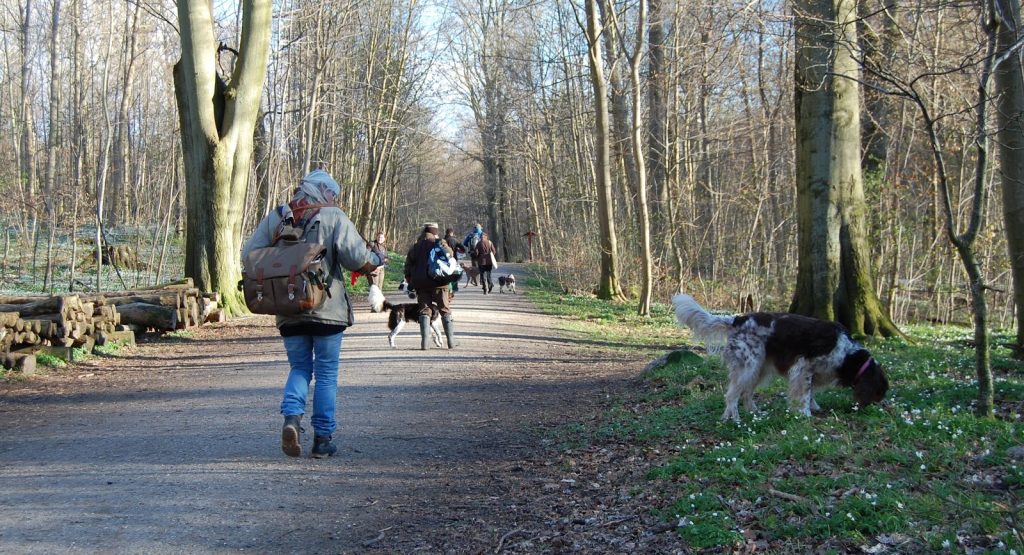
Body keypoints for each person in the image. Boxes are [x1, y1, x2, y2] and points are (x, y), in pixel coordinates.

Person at [242, 169, 383, 459]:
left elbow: (249, 255)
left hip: (288, 307)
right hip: (326, 309)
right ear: (321, 190)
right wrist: (376, 259)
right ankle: (322, 439)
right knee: (327, 375)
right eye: (333, 193)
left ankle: (292, 418)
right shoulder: (333, 217)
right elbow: (356, 257)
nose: (335, 198)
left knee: (300, 368)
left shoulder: (279, 216)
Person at [404, 223, 456, 350]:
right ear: (435, 231)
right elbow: (450, 256)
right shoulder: (439, 243)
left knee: (424, 311)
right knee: (444, 309)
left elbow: (407, 267)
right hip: (439, 282)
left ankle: (425, 343)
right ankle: (451, 342)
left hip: (421, 283)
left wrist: (411, 281)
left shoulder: (415, 247)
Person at [444, 228, 465, 293]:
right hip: (453, 259)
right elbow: (463, 249)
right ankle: (453, 288)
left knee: (445, 273)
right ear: (451, 233)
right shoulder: (455, 240)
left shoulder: (443, 240)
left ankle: (446, 287)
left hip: (444, 260)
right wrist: (457, 249)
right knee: (454, 273)